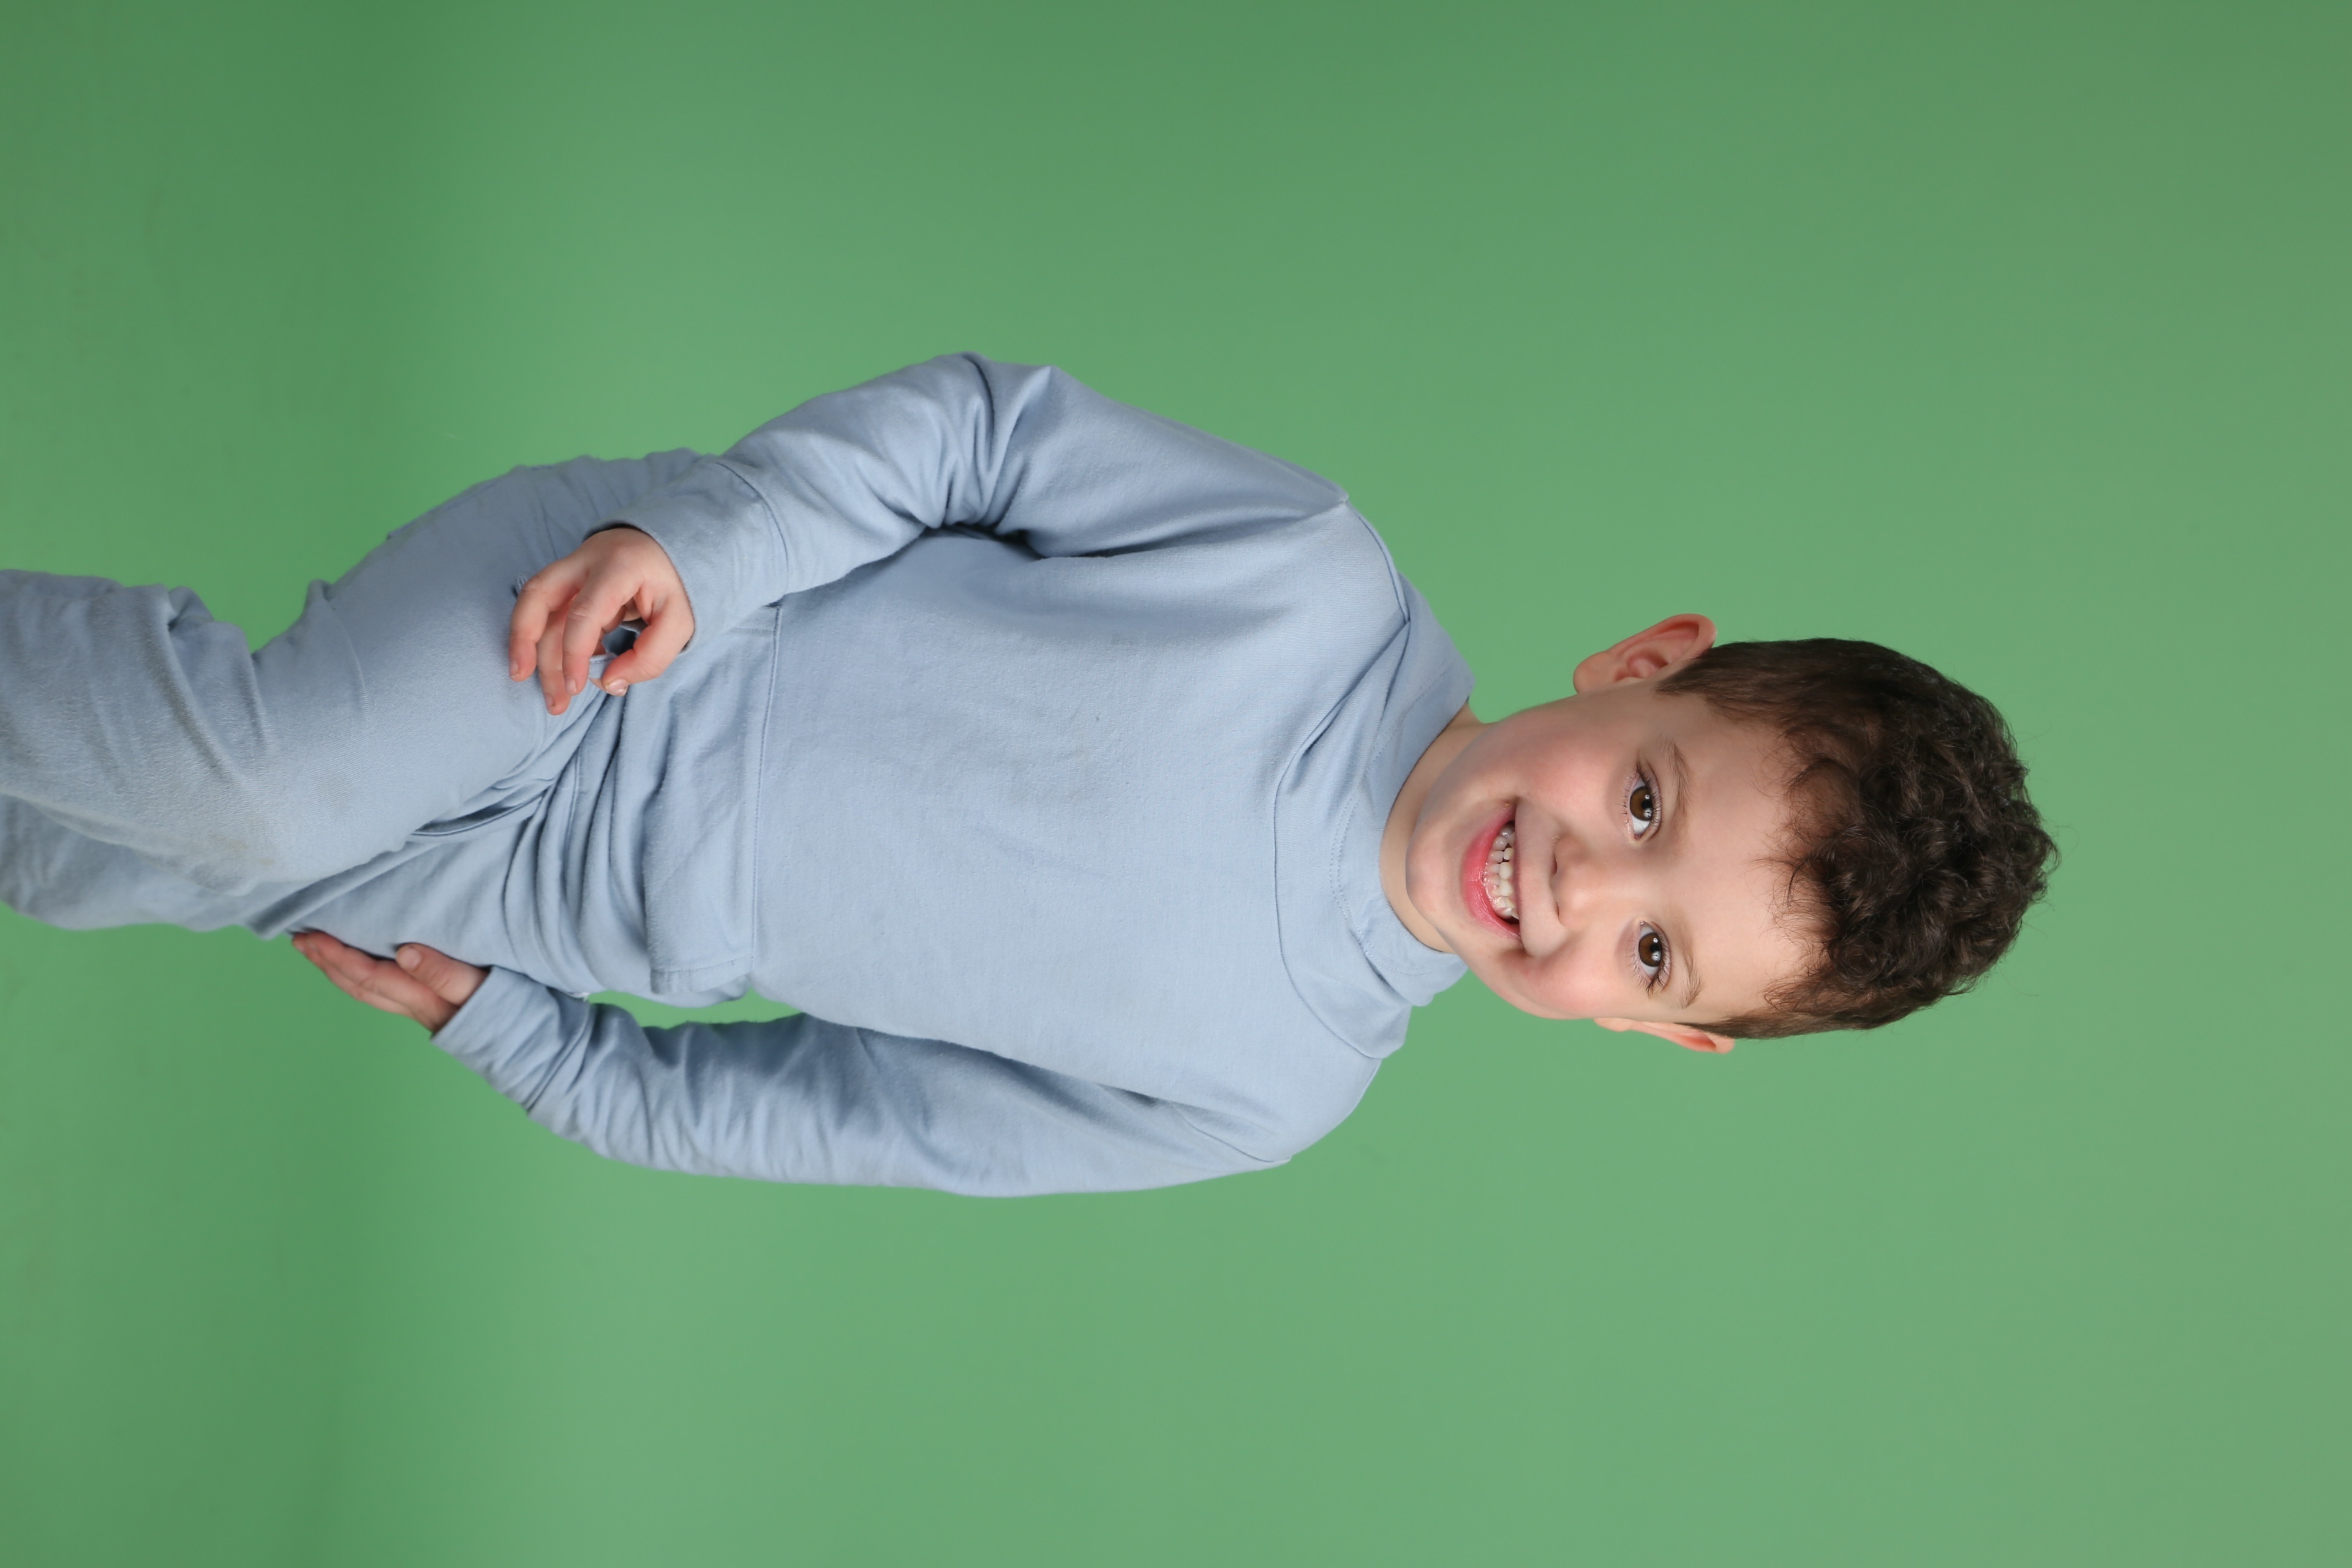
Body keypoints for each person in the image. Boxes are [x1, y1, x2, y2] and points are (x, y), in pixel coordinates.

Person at [0, 355, 2055, 1195]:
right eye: (1647, 806)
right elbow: (981, 434)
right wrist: (707, 549)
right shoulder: (1305, 579)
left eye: (1655, 953)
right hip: (613, 640)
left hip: (563, 909)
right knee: (253, 791)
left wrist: (538, 1046)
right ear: (1644, 667)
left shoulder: (1269, 1089)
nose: (1584, 890)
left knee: (137, 854)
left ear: (1656, 1033)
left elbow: (855, 1119)